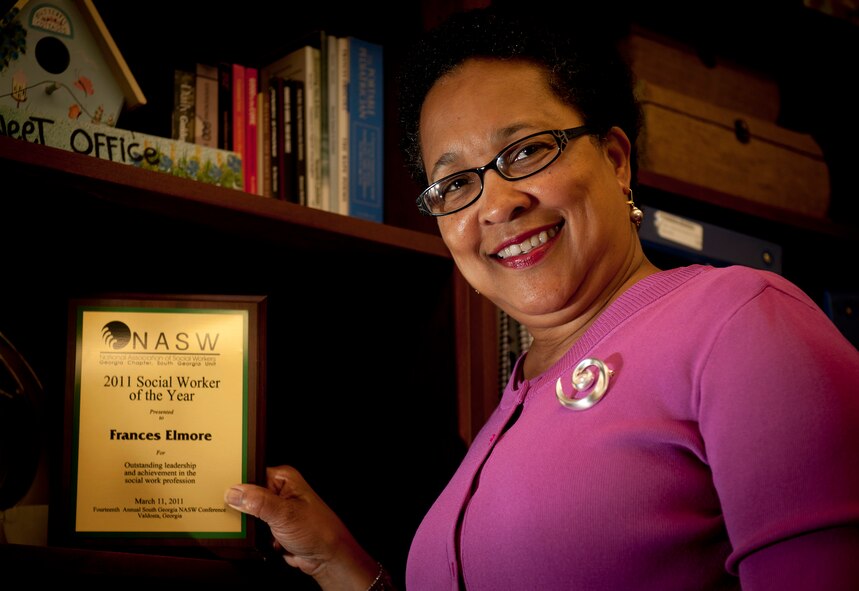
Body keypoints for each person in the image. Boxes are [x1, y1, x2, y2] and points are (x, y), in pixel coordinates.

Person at [224, 6, 859, 590]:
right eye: (455, 183)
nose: (498, 204)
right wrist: (338, 560)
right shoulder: (511, 405)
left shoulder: (744, 321)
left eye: (526, 151)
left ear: (614, 160)